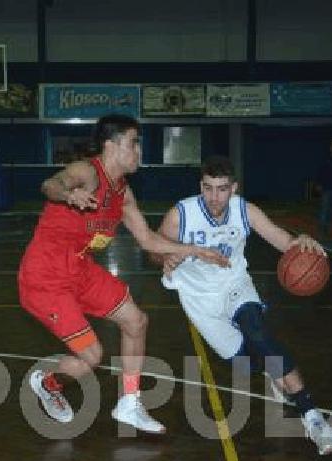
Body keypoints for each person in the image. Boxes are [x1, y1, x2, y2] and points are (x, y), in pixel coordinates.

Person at [19, 113, 230, 434]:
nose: (139, 152)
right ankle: (48, 383)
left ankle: (129, 403)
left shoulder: (123, 194)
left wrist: (194, 250)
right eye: (134, 143)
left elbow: (147, 239)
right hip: (45, 276)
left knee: (136, 321)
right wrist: (68, 194)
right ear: (111, 146)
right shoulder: (87, 172)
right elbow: (50, 184)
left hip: (79, 269)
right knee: (92, 356)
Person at [149, 155, 332, 456]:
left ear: (234, 188)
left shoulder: (245, 211)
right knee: (242, 361)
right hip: (197, 297)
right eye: (208, 188)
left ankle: (312, 416)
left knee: (258, 333)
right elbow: (154, 249)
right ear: (200, 185)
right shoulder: (181, 214)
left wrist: (300, 241)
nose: (214, 197)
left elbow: (280, 239)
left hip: (233, 283)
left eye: (222, 189)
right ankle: (272, 372)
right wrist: (165, 258)